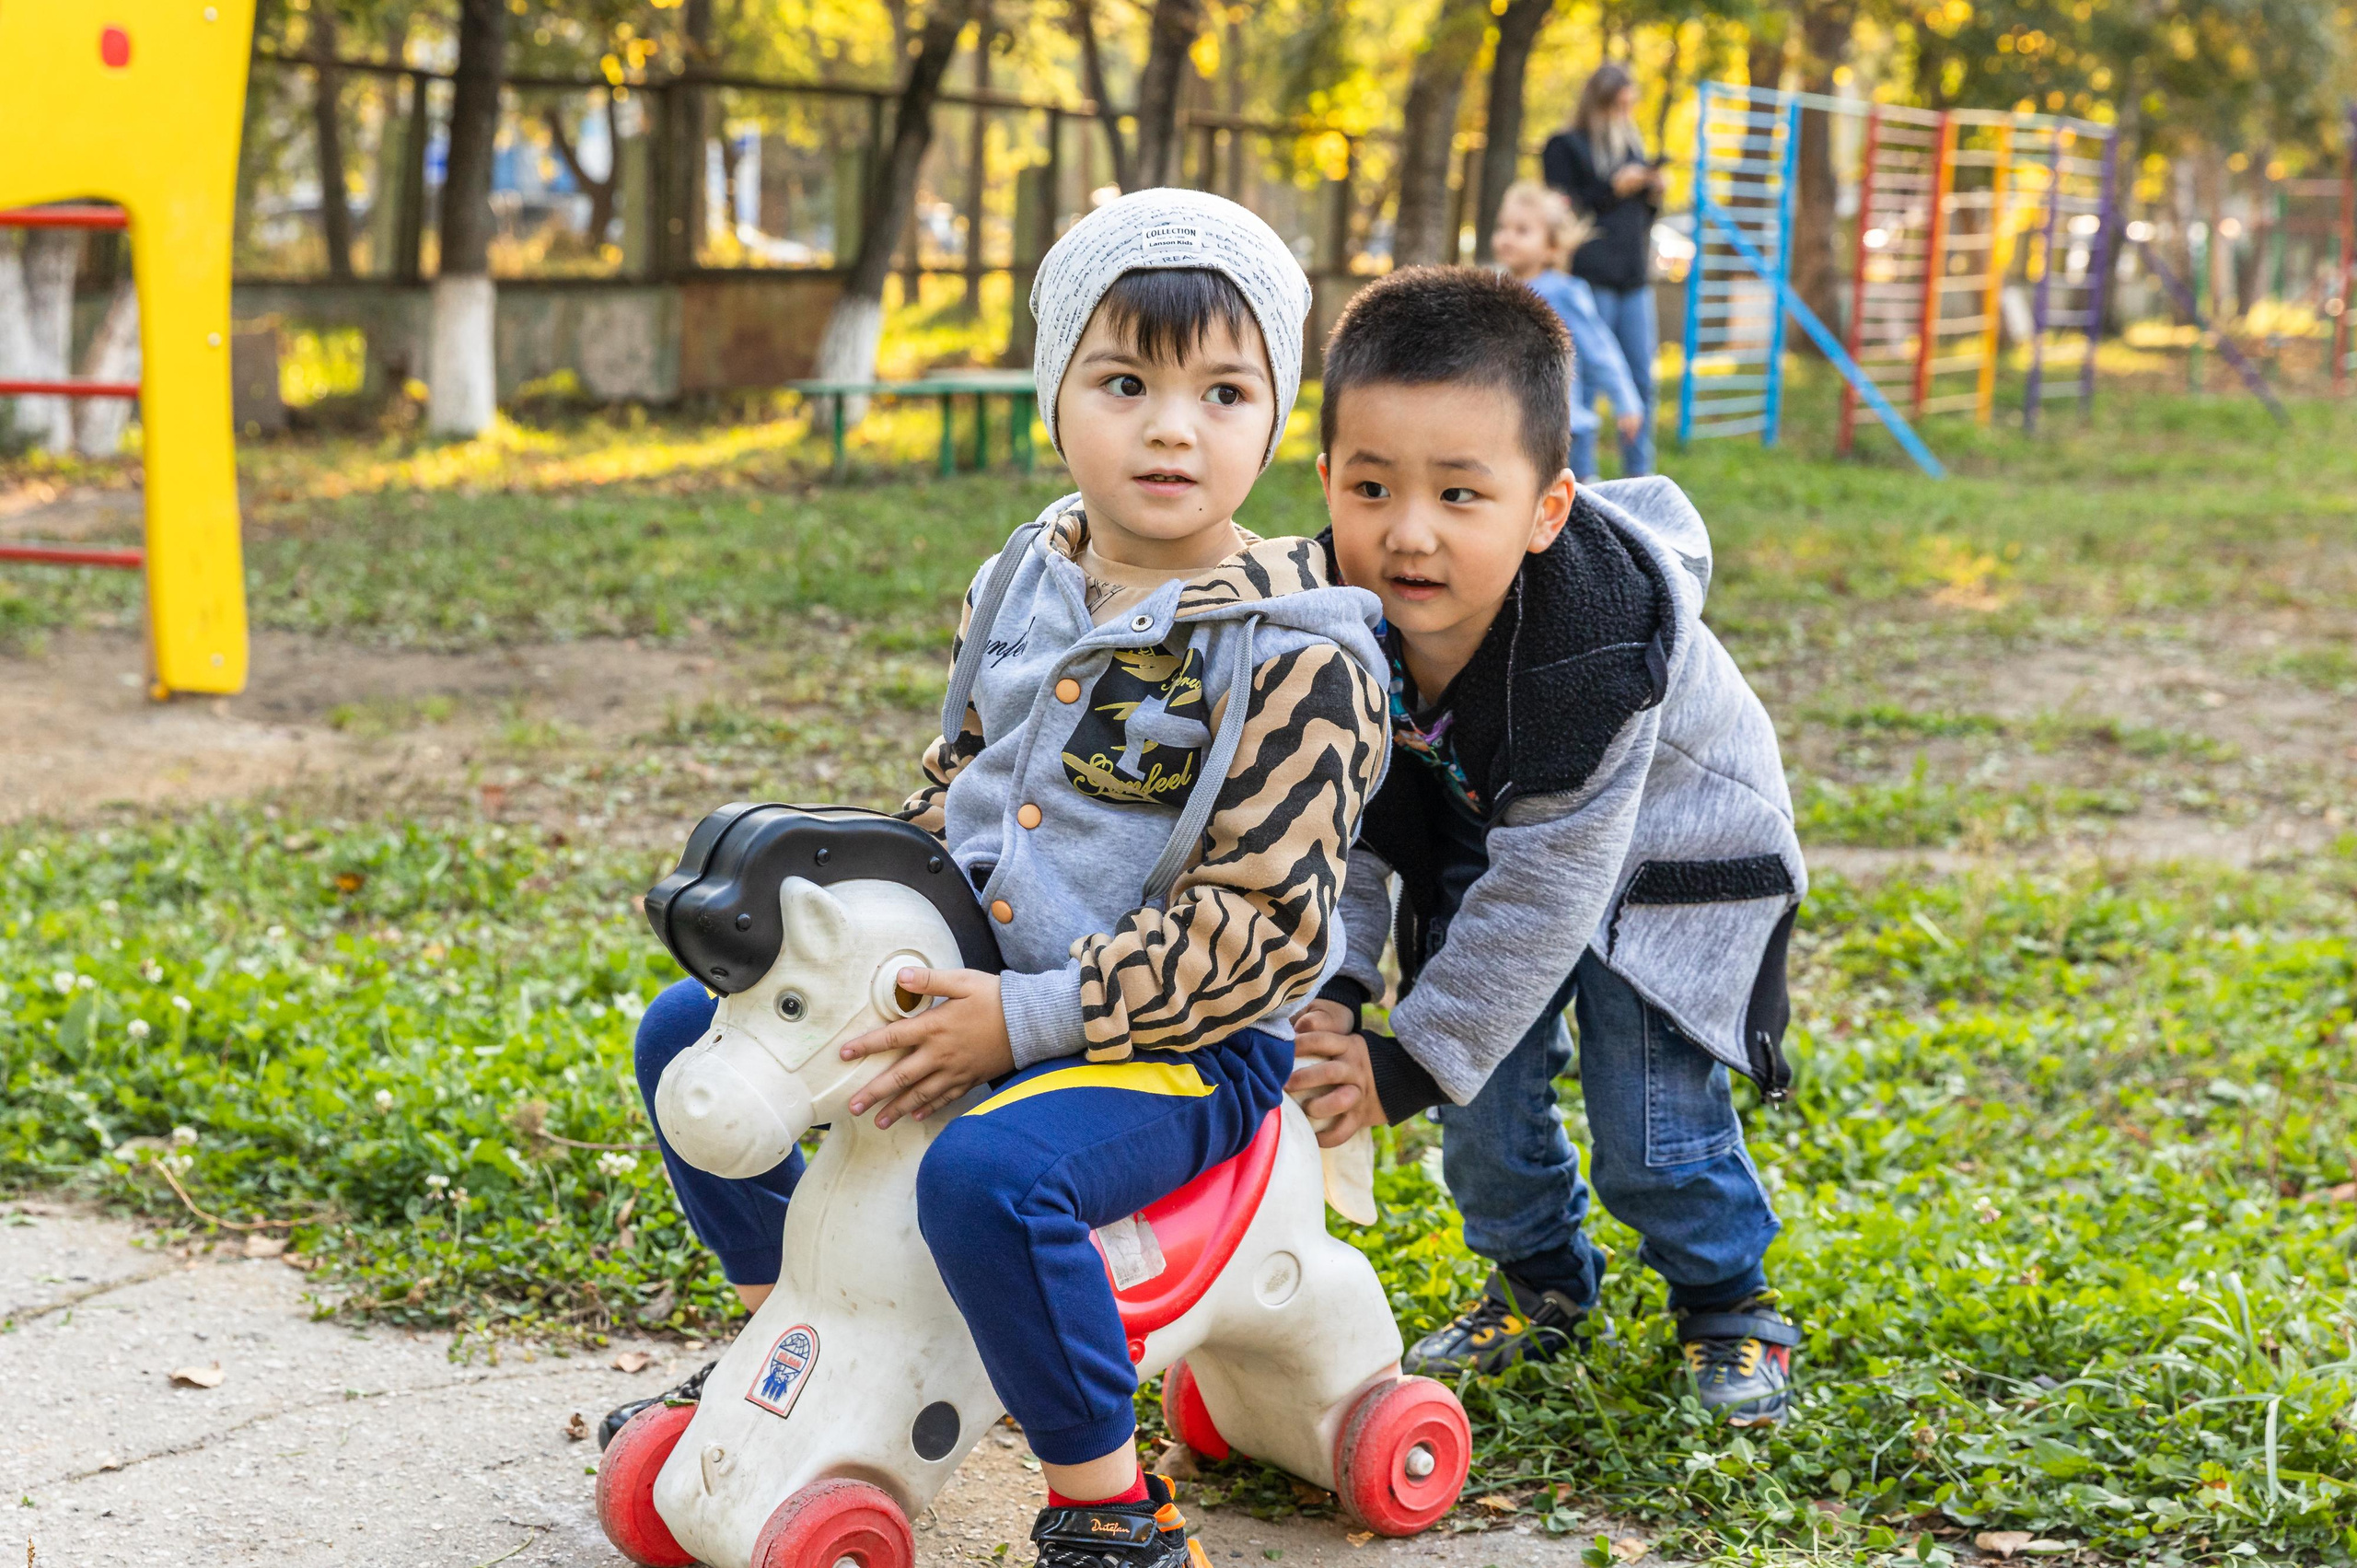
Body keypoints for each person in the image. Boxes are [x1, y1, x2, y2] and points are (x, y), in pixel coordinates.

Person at [614, 188, 1391, 1568]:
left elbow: (1264, 934)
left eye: (1224, 389)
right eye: (1125, 381)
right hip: (973, 978)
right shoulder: (1018, 581)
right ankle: (784, 1329)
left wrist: (1019, 1019)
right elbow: (954, 792)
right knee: (692, 1028)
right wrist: (870, 945)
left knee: (987, 1174)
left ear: (1277, 419)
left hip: (1179, 1045)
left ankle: (1105, 1499)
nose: (1172, 425)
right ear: (1056, 397)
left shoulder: (1298, 658)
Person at [1286, 266, 1807, 1427]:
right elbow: (1345, 820)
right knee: (1482, 1110)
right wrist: (1333, 983)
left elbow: (1544, 899)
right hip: (1501, 834)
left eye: (1461, 495)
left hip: (1667, 867)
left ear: (1545, 508)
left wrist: (1401, 1060)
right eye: (1371, 486)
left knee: (1648, 1133)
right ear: (1325, 480)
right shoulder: (1324, 617)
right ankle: (1540, 1282)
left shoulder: (1594, 651)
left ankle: (1727, 1302)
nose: (1407, 533)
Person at [1543, 63, 1664, 476]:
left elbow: (1640, 219)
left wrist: (1649, 192)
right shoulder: (1565, 147)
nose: (1624, 115)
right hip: (1588, 280)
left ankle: (1640, 477)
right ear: (1599, 102)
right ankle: (1583, 481)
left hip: (1633, 279)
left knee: (1640, 381)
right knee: (1585, 383)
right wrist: (1614, 188)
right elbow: (1566, 212)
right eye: (1619, 105)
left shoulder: (1632, 149)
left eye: (1630, 107)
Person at [1490, 179, 1644, 482]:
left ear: (1551, 248)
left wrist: (1625, 400)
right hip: (1512, 424)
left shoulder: (1565, 293)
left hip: (1564, 428)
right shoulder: (1494, 288)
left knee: (1575, 499)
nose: (1507, 238)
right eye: (1502, 227)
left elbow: (1599, 350)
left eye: (1522, 231)